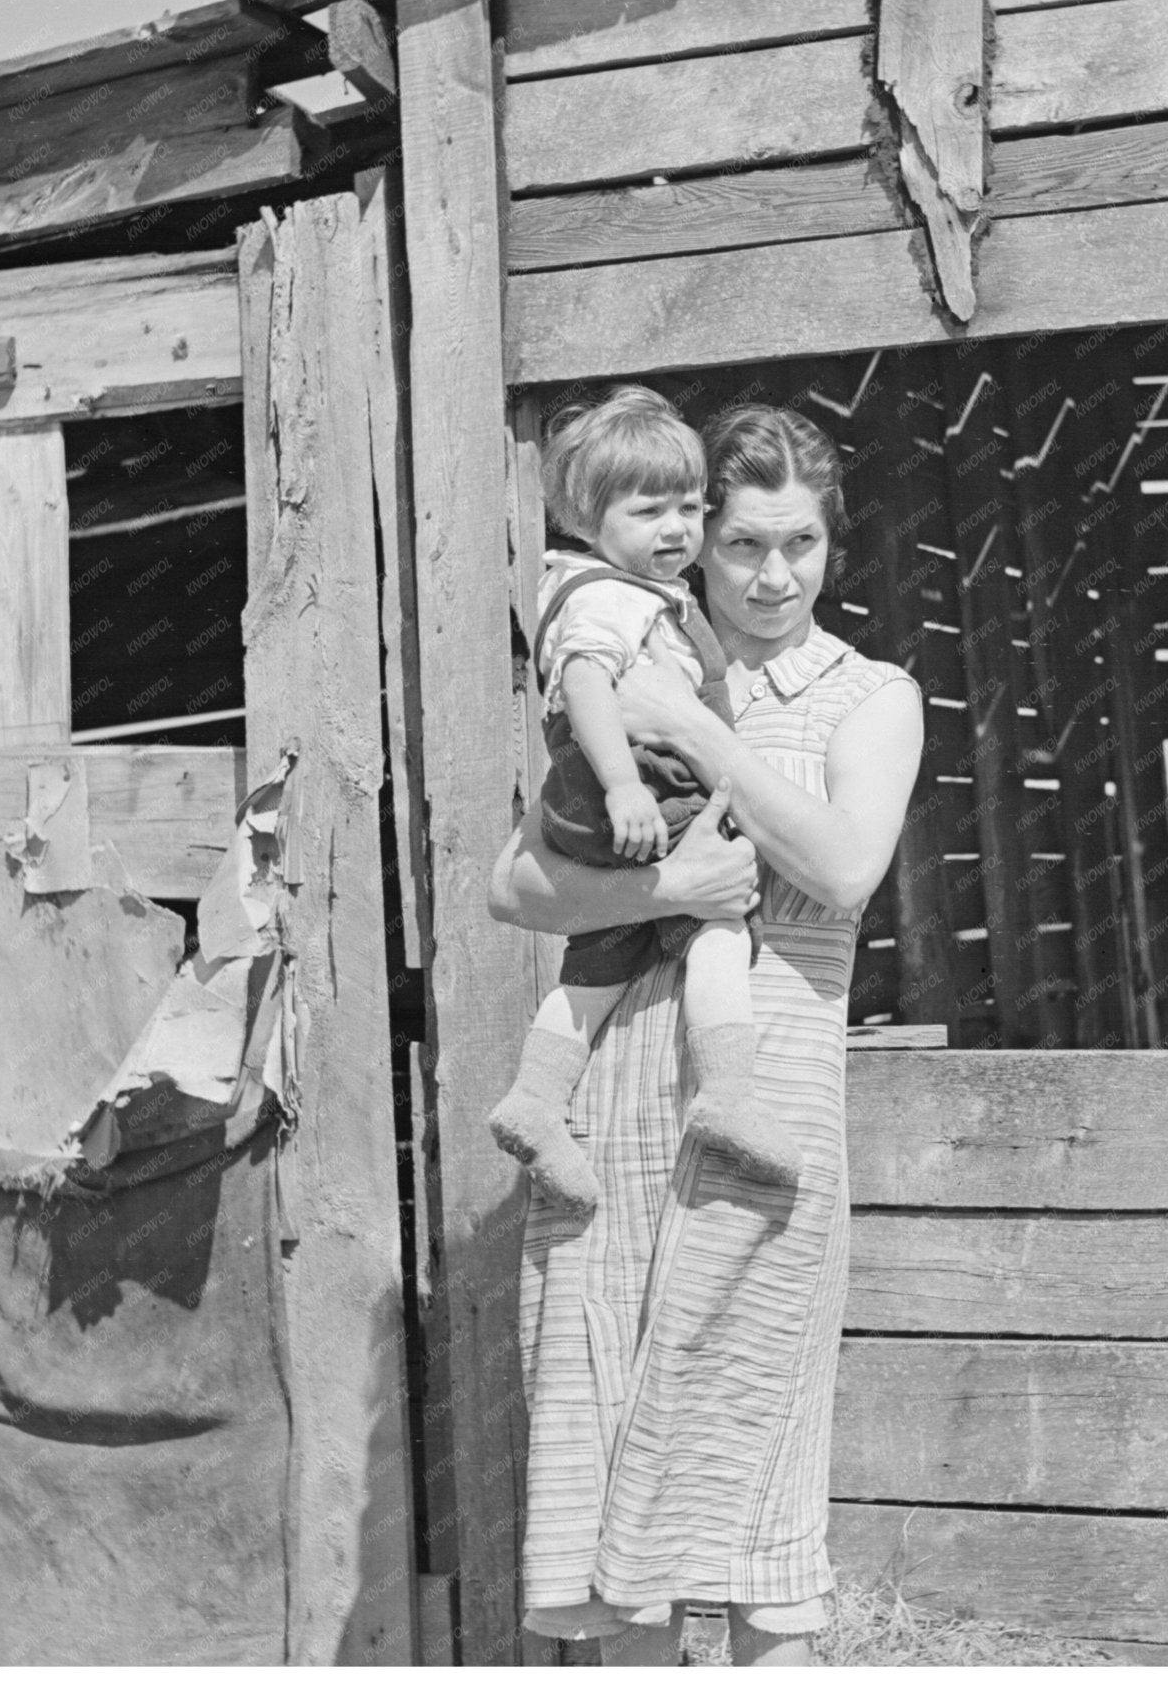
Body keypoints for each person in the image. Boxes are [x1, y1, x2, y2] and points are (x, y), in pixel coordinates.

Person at [488, 402, 925, 1668]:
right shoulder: (625, 651)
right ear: (696, 540)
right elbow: (511, 885)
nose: (770, 574)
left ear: (830, 541)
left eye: (798, 543)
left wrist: (691, 729)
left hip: (762, 1095)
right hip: (614, 1095)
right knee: (613, 1475)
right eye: (741, 544)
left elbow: (842, 869)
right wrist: (661, 892)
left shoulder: (867, 695)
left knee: (751, 1482)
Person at [487, 386, 802, 1212]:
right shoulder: (606, 596)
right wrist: (625, 784)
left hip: (609, 799)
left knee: (601, 956)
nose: (676, 530)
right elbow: (587, 678)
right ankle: (728, 1092)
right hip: (637, 791)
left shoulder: (615, 588)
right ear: (589, 521)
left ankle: (535, 1099)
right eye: (649, 510)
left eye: (691, 508)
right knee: (721, 925)